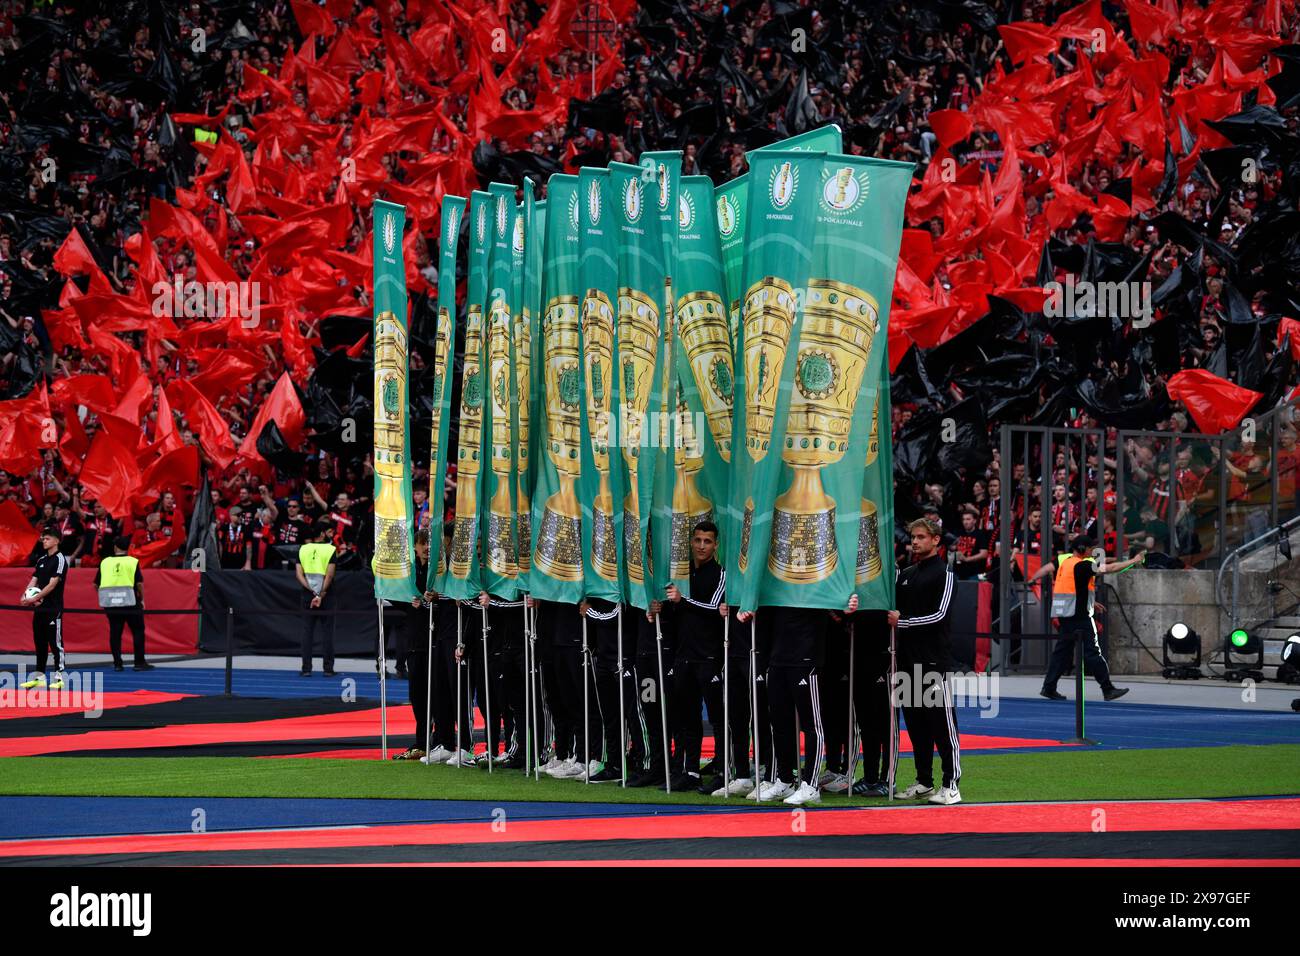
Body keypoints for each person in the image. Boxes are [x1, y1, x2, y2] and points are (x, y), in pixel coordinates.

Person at [891, 518, 961, 805]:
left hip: (932, 662)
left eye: (921, 537)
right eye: (912, 537)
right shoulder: (907, 573)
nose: (915, 542)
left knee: (942, 725)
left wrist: (902, 622)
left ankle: (951, 784)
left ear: (936, 540)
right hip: (906, 662)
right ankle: (924, 781)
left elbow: (939, 615)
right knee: (917, 726)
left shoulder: (945, 574)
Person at [1029, 535, 1145, 702]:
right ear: (1082, 548)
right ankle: (1108, 689)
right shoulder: (1082, 565)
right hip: (1079, 617)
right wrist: (1134, 560)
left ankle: (1049, 687)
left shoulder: (1067, 562)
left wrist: (1092, 601)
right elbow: (1110, 568)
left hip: (1066, 614)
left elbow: (1074, 587)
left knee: (1062, 653)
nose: (1092, 551)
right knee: (1092, 652)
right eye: (1090, 548)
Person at [665, 522, 726, 793]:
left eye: (707, 541)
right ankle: (690, 771)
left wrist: (683, 601)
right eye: (698, 540)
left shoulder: (720, 574)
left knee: (717, 717)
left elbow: (715, 608)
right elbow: (674, 607)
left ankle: (723, 771)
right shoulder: (682, 573)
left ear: (715, 545)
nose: (702, 546)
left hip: (709, 657)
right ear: (691, 542)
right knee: (687, 718)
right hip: (683, 656)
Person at [394, 530, 437, 761]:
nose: (426, 547)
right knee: (418, 696)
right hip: (415, 642)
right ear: (415, 547)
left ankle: (441, 740)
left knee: (438, 695)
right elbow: (395, 595)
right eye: (423, 543)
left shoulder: (437, 569)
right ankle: (422, 742)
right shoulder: (410, 573)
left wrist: (429, 603)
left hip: (435, 641)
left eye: (429, 543)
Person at [19, 527, 69, 690]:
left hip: (53, 608)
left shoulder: (60, 559)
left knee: (55, 644)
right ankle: (39, 677)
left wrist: (35, 598)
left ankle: (59, 677)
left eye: (47, 538)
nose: (44, 541)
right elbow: (34, 580)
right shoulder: (41, 560)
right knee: (39, 643)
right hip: (39, 608)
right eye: (43, 538)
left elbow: (52, 584)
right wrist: (25, 596)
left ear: (56, 540)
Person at [95, 535, 153, 671]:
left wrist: (105, 594)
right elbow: (139, 583)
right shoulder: (132, 561)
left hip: (111, 603)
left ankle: (117, 664)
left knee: (115, 633)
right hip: (130, 602)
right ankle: (139, 663)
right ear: (128, 548)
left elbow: (96, 584)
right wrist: (142, 599)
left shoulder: (105, 562)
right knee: (138, 631)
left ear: (115, 547)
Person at [296, 521, 338, 676]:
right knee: (328, 633)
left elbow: (298, 574)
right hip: (326, 595)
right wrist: (320, 594)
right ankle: (328, 669)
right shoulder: (330, 549)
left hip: (308, 595)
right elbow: (330, 574)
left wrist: (312, 592)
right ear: (322, 534)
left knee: (307, 632)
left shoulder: (303, 549)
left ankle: (306, 669)